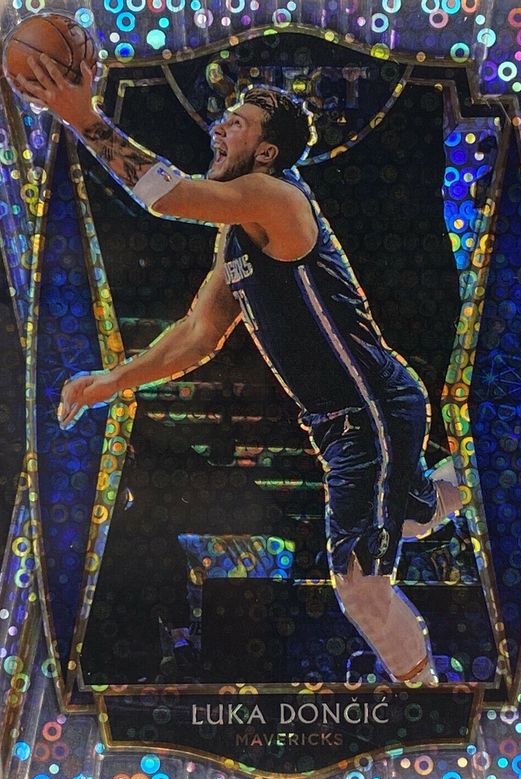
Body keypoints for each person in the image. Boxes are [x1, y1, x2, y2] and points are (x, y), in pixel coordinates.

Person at [17, 55, 462, 686]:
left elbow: (169, 196)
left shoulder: (275, 196)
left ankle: (425, 700)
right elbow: (197, 335)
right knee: (412, 516)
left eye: (236, 122)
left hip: (370, 411)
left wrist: (83, 117)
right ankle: (471, 475)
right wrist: (114, 380)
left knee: (360, 591)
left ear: (266, 151)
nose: (218, 128)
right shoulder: (236, 237)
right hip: (343, 418)